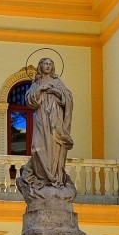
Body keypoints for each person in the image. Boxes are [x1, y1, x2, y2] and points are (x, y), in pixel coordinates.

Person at [18, 57, 74, 193]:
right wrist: (41, 89)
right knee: (38, 146)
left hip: (55, 122)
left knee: (54, 150)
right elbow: (30, 100)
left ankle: (54, 177)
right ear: (40, 66)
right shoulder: (37, 82)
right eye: (45, 64)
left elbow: (68, 98)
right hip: (41, 120)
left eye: (50, 64)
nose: (48, 66)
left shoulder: (57, 81)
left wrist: (57, 92)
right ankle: (42, 178)